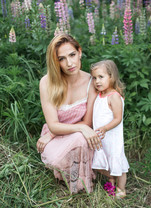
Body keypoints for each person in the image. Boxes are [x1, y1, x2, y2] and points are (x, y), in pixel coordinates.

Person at [36, 33, 102, 194]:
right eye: (61, 59)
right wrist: (51, 134)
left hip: (80, 136)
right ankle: (67, 173)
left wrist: (83, 129)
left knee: (80, 138)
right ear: (56, 62)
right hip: (57, 135)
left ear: (79, 52)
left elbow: (87, 123)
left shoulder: (91, 83)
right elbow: (53, 125)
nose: (69, 63)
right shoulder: (47, 82)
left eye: (72, 55)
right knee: (56, 158)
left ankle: (79, 182)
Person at [90, 60, 129, 199]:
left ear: (111, 77)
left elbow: (118, 118)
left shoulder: (114, 96)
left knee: (118, 164)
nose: (97, 81)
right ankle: (110, 180)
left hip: (112, 138)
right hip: (102, 138)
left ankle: (121, 189)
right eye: (94, 78)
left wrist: (105, 128)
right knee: (102, 163)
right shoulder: (100, 95)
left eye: (101, 77)